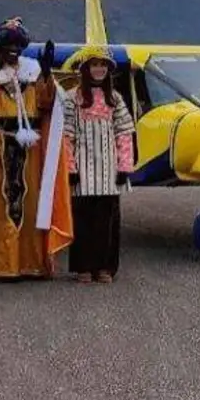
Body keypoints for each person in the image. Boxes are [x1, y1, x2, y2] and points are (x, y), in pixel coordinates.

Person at [0, 18, 73, 281]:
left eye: (18, 45)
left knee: (29, 202)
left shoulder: (33, 72)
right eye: (8, 45)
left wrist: (47, 74)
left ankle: (30, 261)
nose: (13, 50)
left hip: (29, 149)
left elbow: (46, 104)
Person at [62, 45, 135, 283]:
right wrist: (70, 168)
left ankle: (105, 267)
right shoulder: (72, 98)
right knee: (83, 221)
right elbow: (66, 136)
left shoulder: (115, 99)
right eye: (94, 64)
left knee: (107, 222)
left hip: (108, 172)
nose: (99, 69)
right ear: (85, 68)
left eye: (103, 65)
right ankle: (83, 266)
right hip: (82, 170)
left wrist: (124, 167)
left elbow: (124, 134)